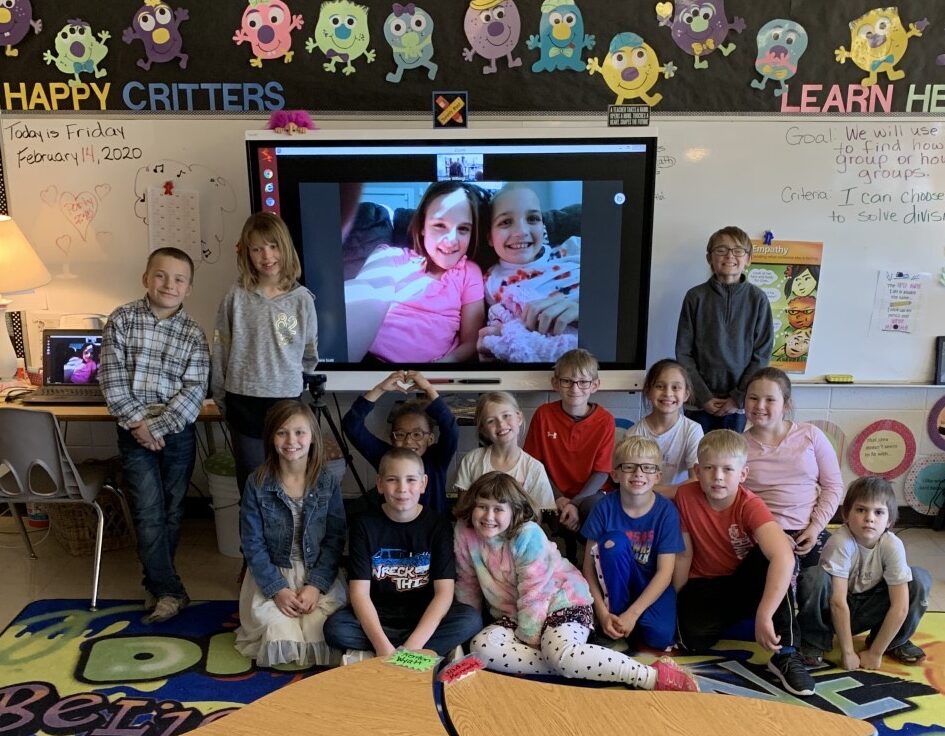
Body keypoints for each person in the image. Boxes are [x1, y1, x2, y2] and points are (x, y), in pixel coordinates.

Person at [454, 471, 698, 691]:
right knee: (481, 647)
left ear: (515, 511)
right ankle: (583, 665)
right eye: (482, 507)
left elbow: (535, 590)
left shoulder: (527, 533)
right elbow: (467, 584)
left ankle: (648, 675)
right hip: (518, 612)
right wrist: (467, 635)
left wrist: (528, 638)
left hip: (563, 600)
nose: (488, 516)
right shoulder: (464, 533)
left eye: (498, 509)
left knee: (559, 652)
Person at [99, 247, 210, 624]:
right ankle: (170, 590)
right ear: (146, 278)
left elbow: (195, 390)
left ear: (189, 288)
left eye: (179, 279)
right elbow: (110, 377)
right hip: (134, 433)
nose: (169, 284)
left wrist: (157, 428)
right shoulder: (122, 319)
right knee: (148, 512)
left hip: (176, 434)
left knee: (172, 511)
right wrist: (138, 425)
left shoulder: (193, 334)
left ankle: (156, 584)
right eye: (160, 275)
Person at [673, 430, 816, 697]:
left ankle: (785, 653)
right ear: (697, 471)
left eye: (727, 469)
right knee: (693, 641)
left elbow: (783, 556)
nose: (717, 476)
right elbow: (684, 555)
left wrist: (765, 612)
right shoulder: (685, 495)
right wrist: (674, 602)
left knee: (775, 555)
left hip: (744, 580)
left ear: (742, 474)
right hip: (705, 584)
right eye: (709, 468)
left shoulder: (749, 504)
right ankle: (747, 621)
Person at [323, 447, 482, 659]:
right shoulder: (364, 525)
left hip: (424, 616)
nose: (402, 488)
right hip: (380, 617)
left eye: (411, 480)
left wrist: (412, 645)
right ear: (379, 484)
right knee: (335, 628)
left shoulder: (438, 525)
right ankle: (409, 650)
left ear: (423, 483)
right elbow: (359, 593)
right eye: (392, 480)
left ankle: (412, 649)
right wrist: (381, 645)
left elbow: (444, 593)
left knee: (470, 619)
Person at [212, 212, 319, 496]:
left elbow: (309, 352)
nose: (266, 255)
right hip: (243, 401)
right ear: (247, 254)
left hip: (286, 401)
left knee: (288, 482)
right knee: (252, 484)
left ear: (285, 248)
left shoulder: (303, 300)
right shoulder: (235, 297)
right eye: (257, 249)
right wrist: (220, 396)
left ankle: (288, 540)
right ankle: (254, 541)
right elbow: (221, 348)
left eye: (273, 246)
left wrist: (299, 381)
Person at [235, 400, 348, 667]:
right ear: (271, 437)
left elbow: (335, 539)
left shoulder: (327, 481)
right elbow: (252, 544)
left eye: (300, 432)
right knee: (280, 636)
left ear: (312, 438)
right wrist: (277, 590)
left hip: (315, 573)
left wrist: (315, 586)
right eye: (282, 432)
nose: (291, 441)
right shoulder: (257, 482)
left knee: (319, 632)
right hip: (274, 573)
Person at [798, 477, 931, 669]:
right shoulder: (840, 542)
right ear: (846, 515)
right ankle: (813, 641)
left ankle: (894, 642)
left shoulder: (892, 545)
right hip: (836, 609)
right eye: (861, 510)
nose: (869, 518)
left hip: (871, 607)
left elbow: (900, 606)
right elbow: (837, 602)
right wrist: (848, 652)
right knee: (813, 578)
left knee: (919, 579)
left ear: (889, 521)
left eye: (878, 512)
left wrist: (875, 652)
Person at [346, 180, 486, 363]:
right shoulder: (391, 258)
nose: (452, 240)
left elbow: (471, 341)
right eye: (440, 225)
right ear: (422, 227)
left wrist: (443, 366)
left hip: (432, 376)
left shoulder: (469, 273)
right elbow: (361, 305)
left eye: (463, 229)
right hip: (374, 366)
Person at [581, 436, 684, 651]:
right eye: (629, 467)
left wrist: (634, 614)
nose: (638, 473)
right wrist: (601, 612)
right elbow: (588, 569)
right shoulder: (603, 508)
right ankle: (614, 618)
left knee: (659, 637)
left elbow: (665, 573)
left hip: (650, 583)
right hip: (614, 586)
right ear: (615, 474)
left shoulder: (667, 512)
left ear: (657, 476)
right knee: (614, 542)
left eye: (647, 468)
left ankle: (628, 621)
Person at [675, 225, 774, 434]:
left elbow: (762, 354)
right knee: (699, 460)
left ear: (748, 259)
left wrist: (737, 397)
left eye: (738, 250)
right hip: (699, 401)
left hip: (737, 403)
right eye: (721, 250)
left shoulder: (758, 299)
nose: (730, 256)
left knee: (730, 460)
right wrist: (703, 397)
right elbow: (684, 353)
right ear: (709, 258)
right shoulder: (695, 297)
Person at [743, 367, 843, 568]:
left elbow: (833, 486)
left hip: (809, 530)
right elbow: (735, 499)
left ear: (786, 405)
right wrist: (768, 533)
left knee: (823, 581)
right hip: (762, 531)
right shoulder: (738, 446)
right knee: (777, 584)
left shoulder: (811, 435)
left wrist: (815, 528)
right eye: (753, 398)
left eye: (770, 400)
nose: (760, 405)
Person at [478, 183, 581, 362]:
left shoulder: (573, 248)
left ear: (543, 227)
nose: (521, 232)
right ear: (489, 237)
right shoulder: (489, 281)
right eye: (505, 222)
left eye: (533, 219)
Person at [342, 370, 458, 514]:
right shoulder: (386, 457)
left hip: (432, 532)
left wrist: (429, 389)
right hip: (391, 531)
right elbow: (351, 425)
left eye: (417, 434)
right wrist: (379, 389)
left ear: (430, 439)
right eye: (401, 434)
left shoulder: (437, 458)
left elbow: (451, 429)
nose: (408, 441)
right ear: (392, 438)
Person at [523, 348, 614, 530]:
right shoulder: (543, 415)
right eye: (567, 381)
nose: (574, 388)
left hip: (591, 494)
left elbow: (602, 472)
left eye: (583, 382)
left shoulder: (605, 420)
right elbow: (534, 465)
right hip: (552, 492)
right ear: (555, 383)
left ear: (594, 386)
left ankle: (590, 556)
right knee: (525, 508)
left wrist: (575, 503)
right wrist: (558, 498)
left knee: (595, 509)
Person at [453, 391, 554, 512]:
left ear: (519, 418)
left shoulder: (534, 468)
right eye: (491, 421)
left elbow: (536, 519)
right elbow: (463, 511)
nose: (501, 424)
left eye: (506, 415)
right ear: (483, 429)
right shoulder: (471, 461)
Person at [627, 359, 703, 499]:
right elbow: (630, 482)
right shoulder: (634, 433)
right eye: (660, 386)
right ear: (648, 391)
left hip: (681, 500)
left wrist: (656, 492)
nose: (668, 393)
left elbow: (696, 480)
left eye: (675, 387)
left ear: (686, 394)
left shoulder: (693, 430)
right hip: (642, 501)